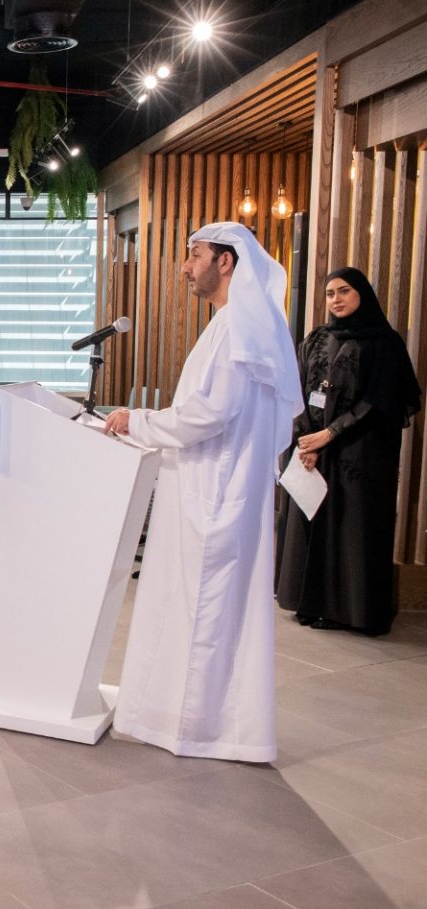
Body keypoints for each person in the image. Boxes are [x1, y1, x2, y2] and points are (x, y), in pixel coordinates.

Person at [103, 222, 303, 764]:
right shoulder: (237, 323)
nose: (185, 267)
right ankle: (182, 719)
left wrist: (138, 421)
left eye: (194, 255)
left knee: (206, 612)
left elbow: (210, 413)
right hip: (212, 485)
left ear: (226, 261)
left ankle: (199, 728)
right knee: (198, 609)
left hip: (216, 492)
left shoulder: (240, 325)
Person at [276, 267, 422, 636]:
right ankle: (311, 604)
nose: (336, 299)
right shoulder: (316, 339)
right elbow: (297, 391)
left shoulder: (383, 343)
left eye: (344, 291)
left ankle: (351, 613)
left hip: (359, 452)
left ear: (362, 294)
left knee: (350, 528)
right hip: (313, 449)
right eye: (330, 293)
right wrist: (306, 440)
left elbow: (380, 399)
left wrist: (330, 434)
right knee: (313, 523)